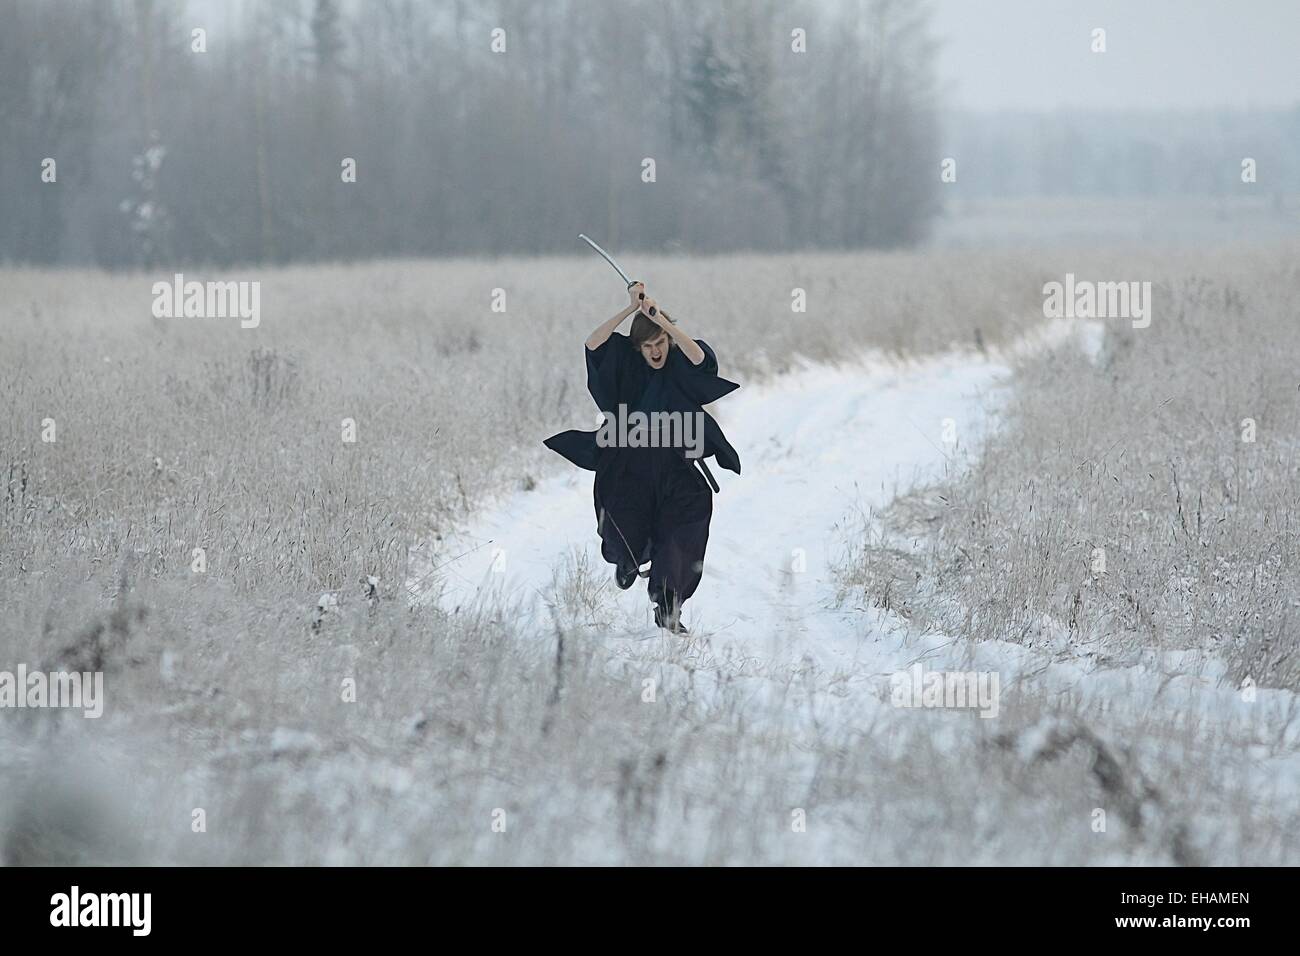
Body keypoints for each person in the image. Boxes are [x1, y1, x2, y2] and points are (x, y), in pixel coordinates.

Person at [544, 282, 741, 633]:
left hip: (676, 464)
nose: (655, 351)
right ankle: (627, 562)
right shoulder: (628, 366)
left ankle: (667, 604)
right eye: (648, 345)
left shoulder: (679, 364)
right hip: (627, 463)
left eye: (660, 343)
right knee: (626, 526)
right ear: (638, 348)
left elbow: (700, 358)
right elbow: (593, 345)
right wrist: (629, 310)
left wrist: (662, 321)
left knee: (685, 523)